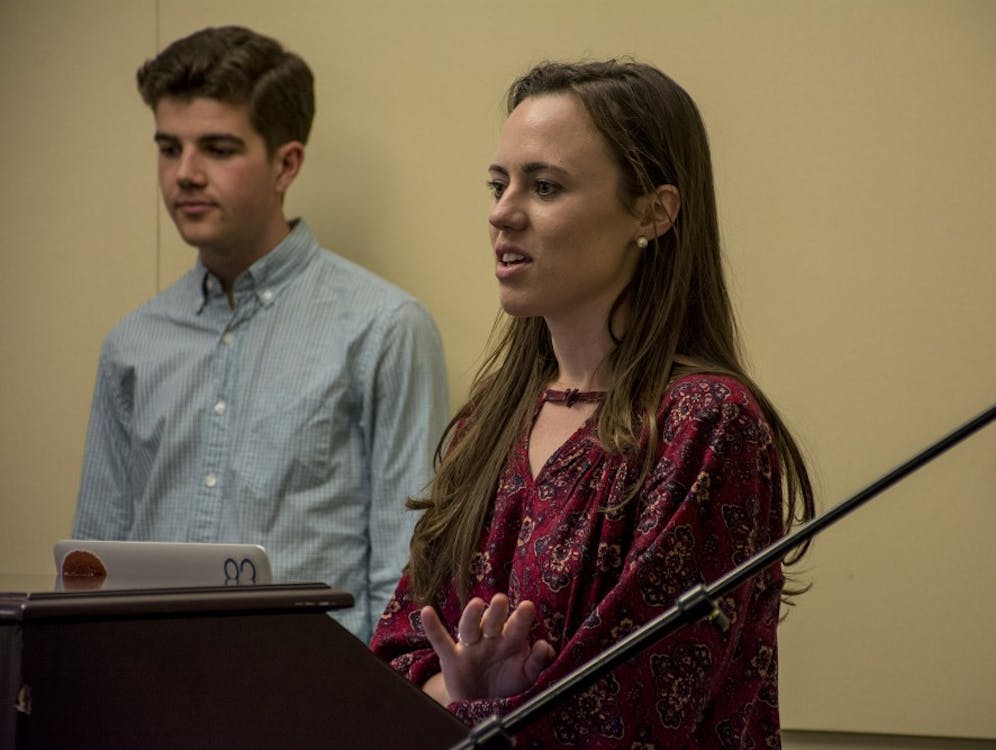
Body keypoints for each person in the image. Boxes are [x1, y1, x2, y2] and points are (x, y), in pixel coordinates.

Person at [371, 60, 815, 746]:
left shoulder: (706, 424)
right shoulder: (486, 423)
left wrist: (475, 705)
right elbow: (392, 659)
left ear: (653, 211)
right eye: (499, 184)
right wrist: (468, 691)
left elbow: (628, 715)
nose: (501, 212)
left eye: (544, 186)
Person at [73, 26, 448, 643]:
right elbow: (89, 573)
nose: (185, 174)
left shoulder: (384, 330)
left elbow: (404, 584)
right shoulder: (133, 344)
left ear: (286, 163)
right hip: (149, 705)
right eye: (169, 148)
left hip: (313, 712)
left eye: (218, 149)